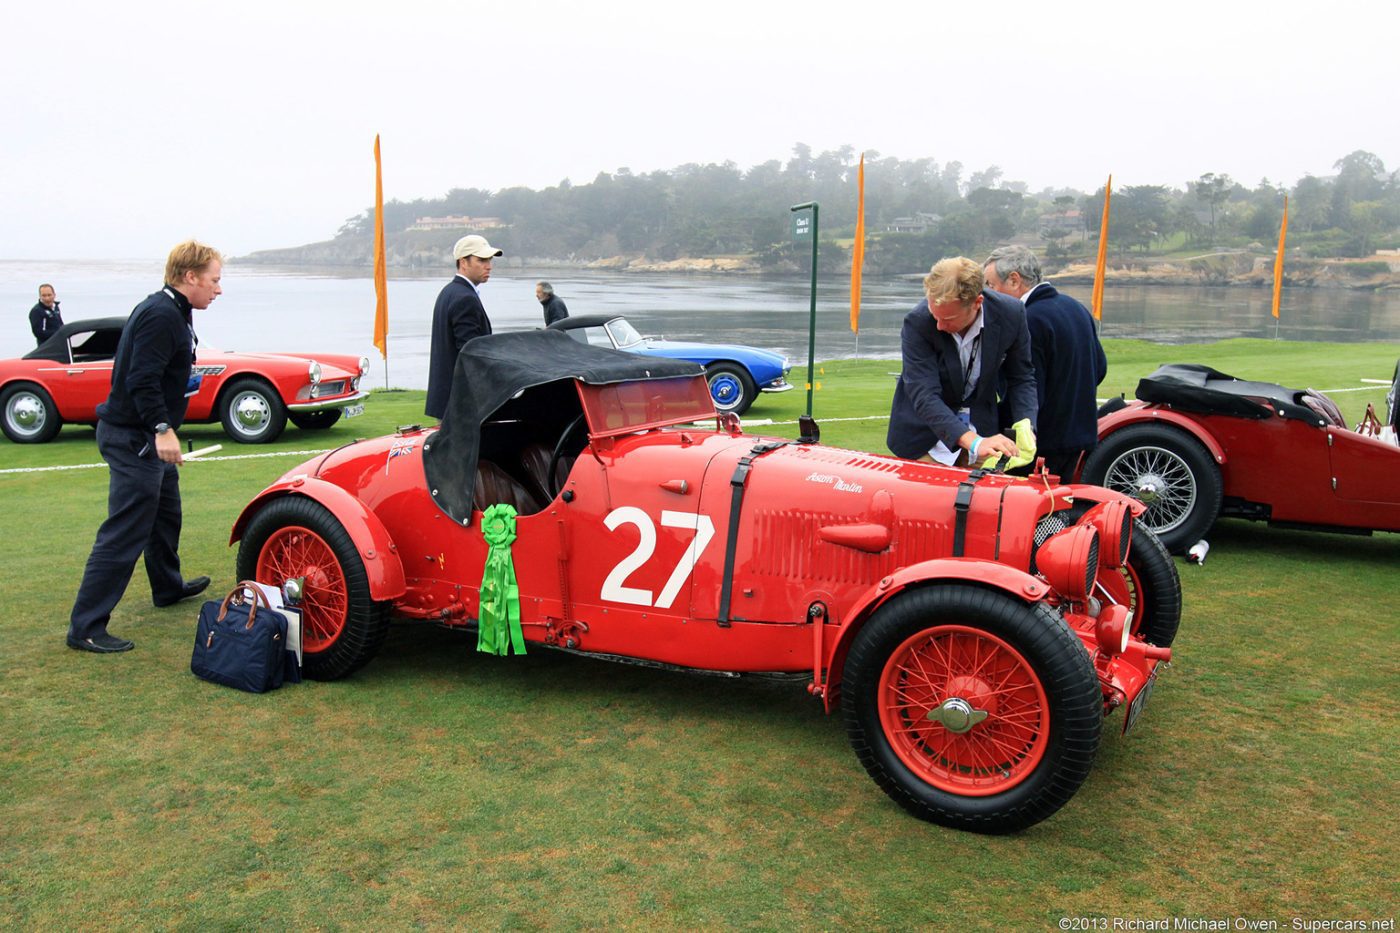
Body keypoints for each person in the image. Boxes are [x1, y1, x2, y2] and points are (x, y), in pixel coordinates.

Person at [66, 241, 221, 653]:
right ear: (190, 276)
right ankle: (86, 626)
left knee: (165, 514)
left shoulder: (175, 311)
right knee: (125, 531)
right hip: (133, 437)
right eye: (214, 280)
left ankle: (167, 586)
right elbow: (141, 378)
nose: (218, 289)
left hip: (144, 435)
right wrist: (163, 429)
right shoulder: (160, 315)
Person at [887, 256, 1037, 465]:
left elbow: (1021, 377)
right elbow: (924, 394)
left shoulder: (1011, 314)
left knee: (984, 497)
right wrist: (974, 442)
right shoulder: (918, 321)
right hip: (926, 440)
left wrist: (1026, 423)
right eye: (934, 315)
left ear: (977, 303)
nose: (938, 326)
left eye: (947, 319)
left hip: (983, 435)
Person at [984, 245, 1107, 477]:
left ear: (1014, 280)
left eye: (991, 285)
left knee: (1032, 510)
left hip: (1041, 441)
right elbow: (1099, 368)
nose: (988, 294)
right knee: (1060, 507)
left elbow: (1024, 388)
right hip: (1080, 434)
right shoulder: (1076, 308)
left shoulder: (1028, 320)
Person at [425, 234, 503, 420]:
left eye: (489, 260)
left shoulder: (449, 292)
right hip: (461, 403)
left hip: (448, 399)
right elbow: (471, 354)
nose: (488, 266)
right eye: (482, 260)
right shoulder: (465, 298)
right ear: (463, 262)